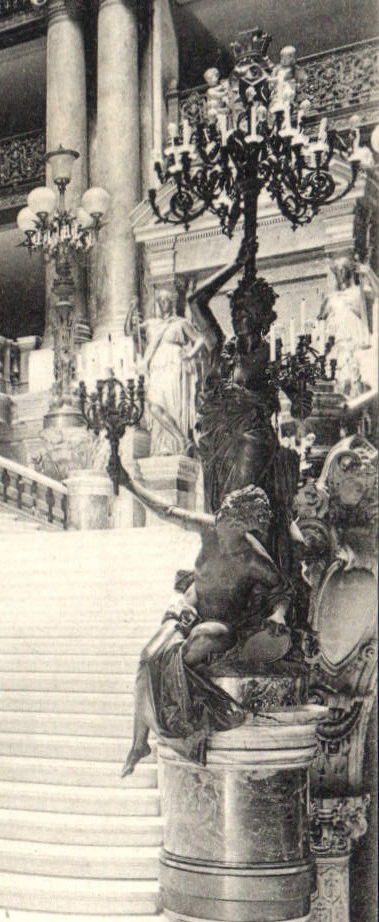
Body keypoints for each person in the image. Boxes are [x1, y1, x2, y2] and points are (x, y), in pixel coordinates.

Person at [120, 484, 292, 775]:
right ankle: (139, 742)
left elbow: (283, 591)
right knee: (148, 656)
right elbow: (166, 511)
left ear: (241, 524)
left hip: (224, 627)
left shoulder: (253, 559)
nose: (217, 522)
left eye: (226, 519)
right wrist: (128, 483)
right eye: (220, 515)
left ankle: (172, 714)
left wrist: (279, 615)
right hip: (190, 613)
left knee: (200, 638)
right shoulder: (208, 529)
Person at [188, 242, 300, 572]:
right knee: (218, 509)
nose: (240, 320)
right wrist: (236, 265)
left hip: (252, 439)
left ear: (262, 318)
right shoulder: (221, 347)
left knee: (238, 508)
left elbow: (301, 405)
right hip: (216, 441)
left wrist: (302, 396)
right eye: (236, 313)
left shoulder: (270, 357)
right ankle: (221, 576)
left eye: (247, 314)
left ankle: (250, 577)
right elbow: (195, 301)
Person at [140, 281, 207, 455]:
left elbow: (201, 339)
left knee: (171, 405)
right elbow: (129, 331)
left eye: (166, 300)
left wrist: (190, 354)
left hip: (174, 366)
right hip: (156, 367)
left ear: (172, 302)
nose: (163, 303)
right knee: (154, 404)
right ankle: (179, 441)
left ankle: (175, 446)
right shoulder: (152, 324)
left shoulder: (180, 323)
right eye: (160, 300)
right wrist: (132, 312)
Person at [316, 258, 371, 395]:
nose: (341, 273)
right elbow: (320, 321)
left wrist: (369, 273)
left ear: (350, 271)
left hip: (356, 342)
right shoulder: (331, 298)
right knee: (338, 375)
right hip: (337, 344)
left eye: (344, 269)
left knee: (356, 376)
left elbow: (376, 296)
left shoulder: (358, 292)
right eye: (338, 270)